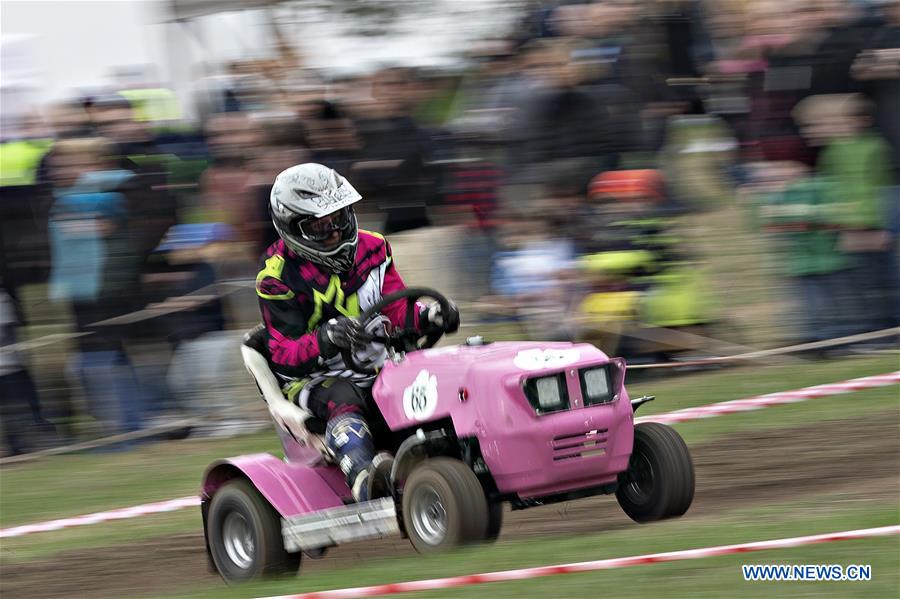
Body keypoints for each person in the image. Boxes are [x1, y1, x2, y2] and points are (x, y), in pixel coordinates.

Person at [258, 163, 459, 502]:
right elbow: (282, 355)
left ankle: (456, 455)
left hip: (380, 363)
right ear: (292, 228)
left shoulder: (374, 248)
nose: (335, 232)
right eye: (321, 226)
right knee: (343, 395)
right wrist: (327, 338)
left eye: (339, 218)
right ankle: (366, 478)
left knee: (434, 377)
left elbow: (398, 311)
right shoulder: (276, 278)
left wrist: (431, 316)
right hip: (313, 379)